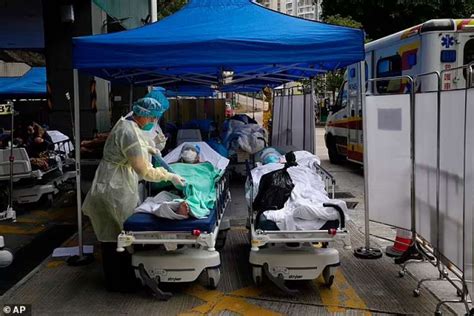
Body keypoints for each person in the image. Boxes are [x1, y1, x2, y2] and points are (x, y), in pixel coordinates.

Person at [82, 97, 185, 292]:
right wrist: (169, 176)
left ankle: (120, 278)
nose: (154, 122)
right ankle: (118, 282)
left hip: (111, 181)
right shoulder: (129, 131)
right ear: (144, 115)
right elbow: (144, 171)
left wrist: (148, 148)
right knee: (118, 238)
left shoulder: (126, 123)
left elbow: (132, 143)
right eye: (153, 118)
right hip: (114, 187)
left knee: (114, 237)